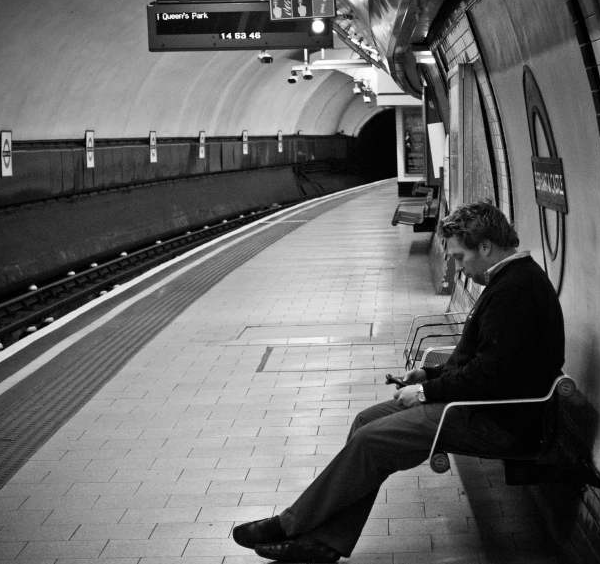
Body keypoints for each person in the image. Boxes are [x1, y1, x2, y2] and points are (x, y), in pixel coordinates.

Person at [231, 200, 565, 562]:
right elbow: (489, 363)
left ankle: (292, 524)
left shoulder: (515, 291)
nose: (458, 268)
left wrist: (424, 392)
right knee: (365, 421)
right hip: (476, 405)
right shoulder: (509, 282)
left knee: (372, 441)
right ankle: (325, 540)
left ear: (485, 247)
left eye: (459, 258)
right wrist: (429, 374)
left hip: (497, 419)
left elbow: (490, 376)